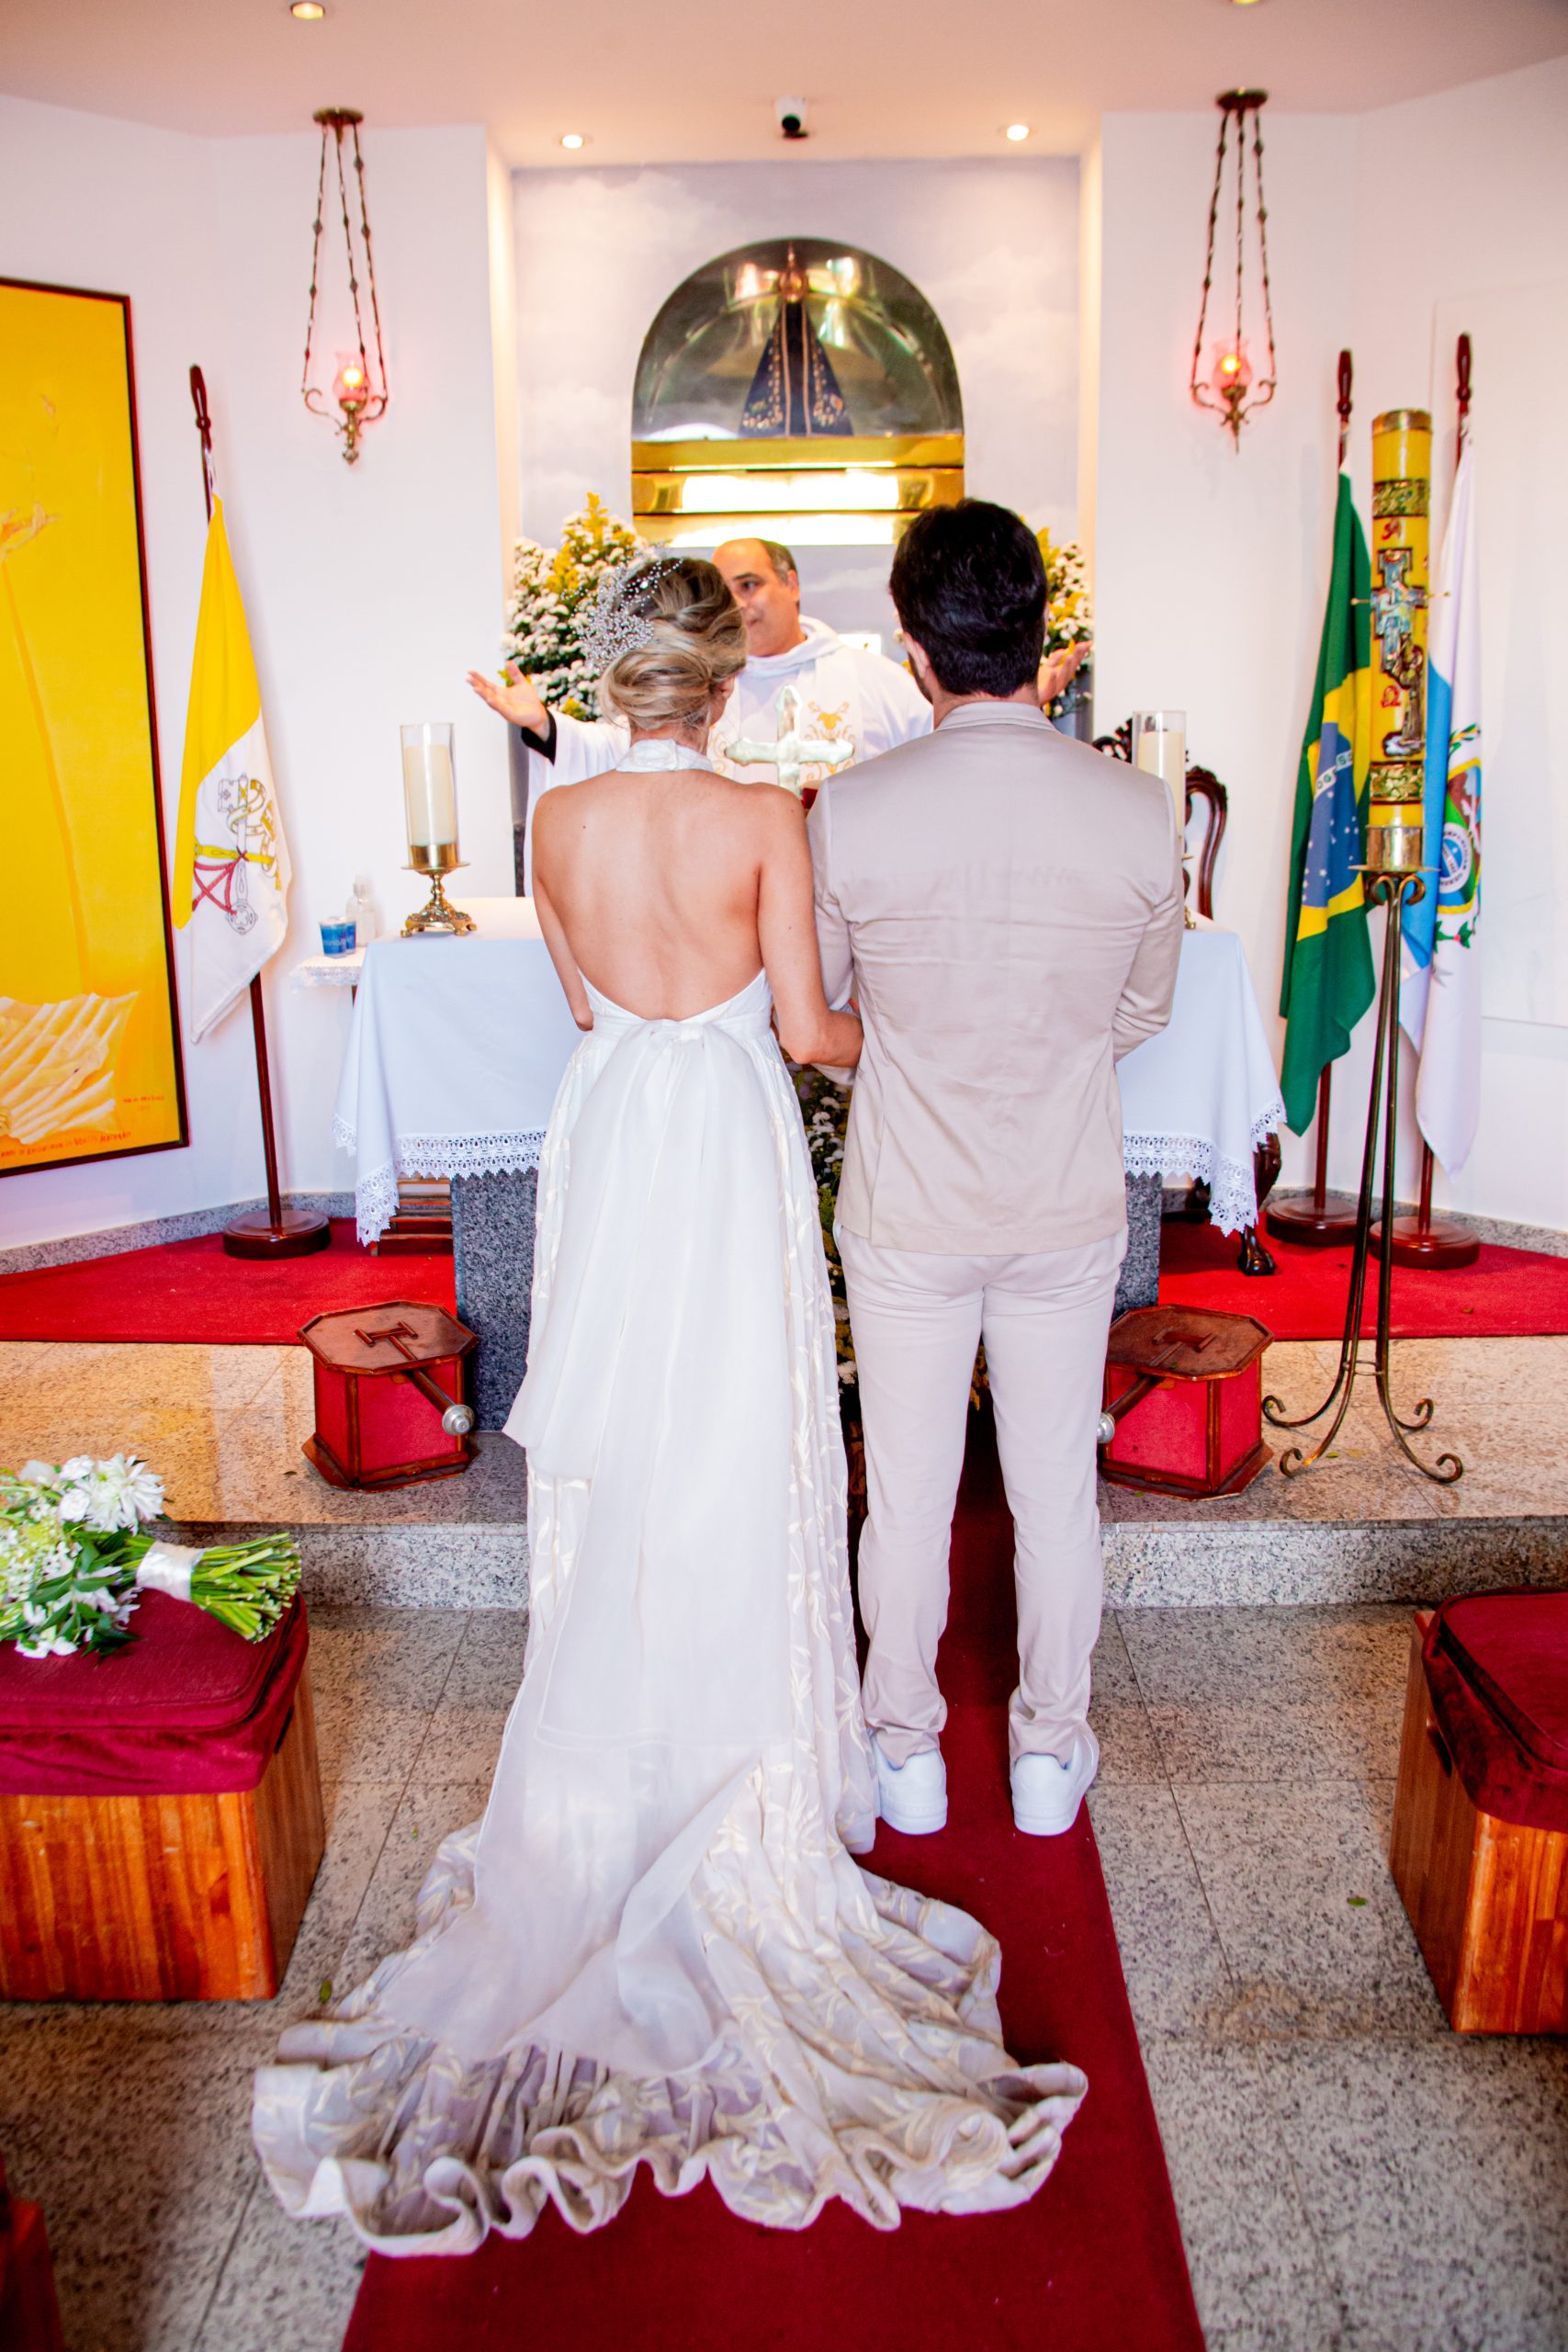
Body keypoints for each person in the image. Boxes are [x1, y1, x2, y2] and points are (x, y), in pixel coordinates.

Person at [254, 555, 1086, 2255]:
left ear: (618, 677)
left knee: (622, 1449)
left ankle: (605, 1750)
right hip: (720, 1132)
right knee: (736, 1442)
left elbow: (577, 1003)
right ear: (721, 686)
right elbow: (805, 1032)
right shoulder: (761, 818)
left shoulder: (554, 830)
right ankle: (746, 1747)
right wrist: (936, 1011)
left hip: (615, 1134)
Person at [809, 501, 1184, 1844]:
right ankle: (1044, 1751)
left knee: (904, 1495)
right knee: (1052, 1494)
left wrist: (913, 1062)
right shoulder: (1139, 810)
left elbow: (829, 1013)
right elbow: (1136, 1013)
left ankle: (902, 1752)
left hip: (908, 1199)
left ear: (915, 649)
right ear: (1040, 641)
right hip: (1062, 1192)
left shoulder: (848, 812)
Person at [466, 535, 1085, 885]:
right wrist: (545, 729)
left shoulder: (866, 676)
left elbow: (947, 744)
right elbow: (630, 755)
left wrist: (1017, 697)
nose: (739, 604)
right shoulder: (695, 684)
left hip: (848, 889)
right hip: (720, 895)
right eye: (726, 591)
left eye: (751, 584)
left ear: (791, 583)